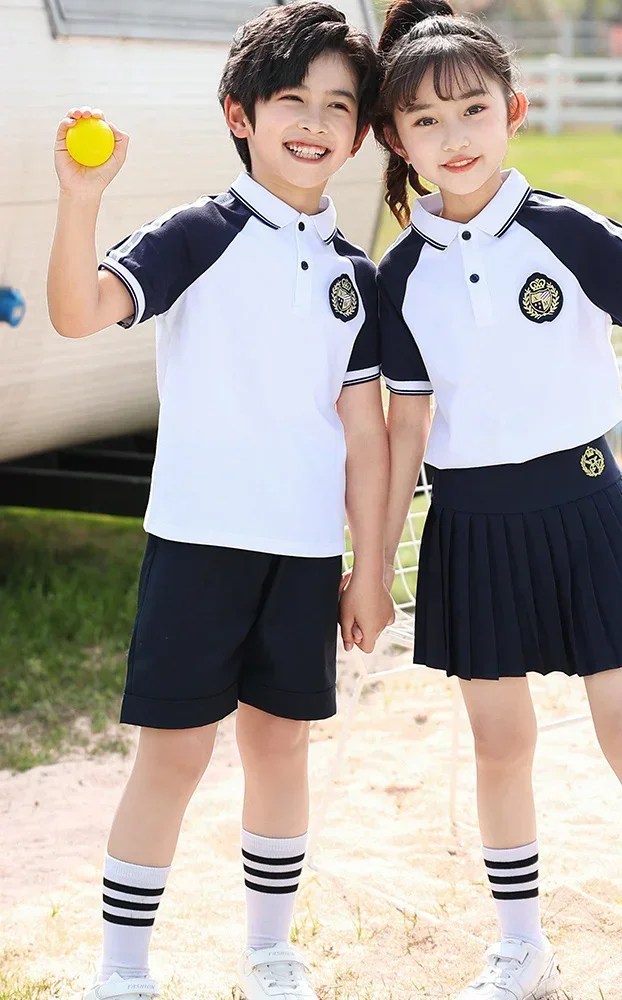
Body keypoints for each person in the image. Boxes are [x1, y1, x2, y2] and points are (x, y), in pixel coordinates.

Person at [374, 1, 622, 997]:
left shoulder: (564, 231)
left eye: (472, 110)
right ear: (395, 141)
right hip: (470, 523)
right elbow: (407, 429)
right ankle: (522, 947)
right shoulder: (399, 277)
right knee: (502, 742)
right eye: (426, 121)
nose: (454, 138)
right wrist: (370, 566)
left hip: (585, 507)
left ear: (514, 111)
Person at [47, 5, 393, 998]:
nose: (315, 121)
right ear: (241, 112)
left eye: (338, 105)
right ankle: (121, 967)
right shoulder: (198, 232)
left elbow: (365, 438)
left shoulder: (354, 275)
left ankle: (270, 950)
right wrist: (81, 199)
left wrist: (368, 568)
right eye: (293, 98)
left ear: (361, 133)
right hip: (198, 540)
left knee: (280, 746)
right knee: (175, 754)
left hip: (300, 552)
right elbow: (76, 315)